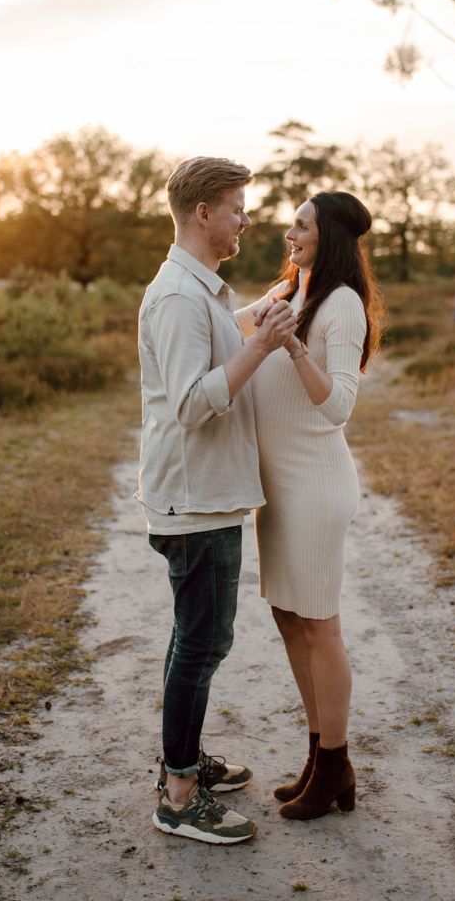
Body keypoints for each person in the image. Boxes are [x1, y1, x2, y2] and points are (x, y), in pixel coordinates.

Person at [137, 156, 298, 845]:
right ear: (203, 212)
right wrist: (260, 346)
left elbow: (208, 342)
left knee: (196, 640)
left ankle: (184, 758)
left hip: (206, 499)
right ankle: (178, 795)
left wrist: (250, 317)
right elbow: (191, 402)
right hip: (194, 502)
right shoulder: (176, 295)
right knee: (201, 645)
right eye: (237, 205)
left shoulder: (196, 291)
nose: (246, 217)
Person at [235, 191, 383, 821]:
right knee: (290, 621)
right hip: (279, 489)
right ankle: (321, 757)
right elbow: (224, 320)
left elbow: (338, 405)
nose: (287, 231)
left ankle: (336, 762)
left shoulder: (341, 306)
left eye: (301, 223)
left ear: (329, 238)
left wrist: (293, 349)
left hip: (316, 487)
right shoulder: (286, 292)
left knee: (320, 626)